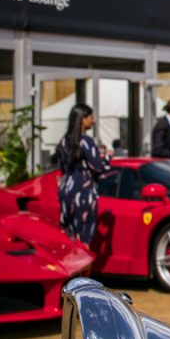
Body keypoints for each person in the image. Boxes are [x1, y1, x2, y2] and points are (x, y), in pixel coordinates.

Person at [56, 103, 110, 246]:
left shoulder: (63, 141)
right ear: (82, 119)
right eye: (91, 117)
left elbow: (63, 168)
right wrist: (107, 157)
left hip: (66, 188)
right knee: (84, 237)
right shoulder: (86, 141)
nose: (93, 121)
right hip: (84, 190)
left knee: (68, 235)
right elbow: (99, 168)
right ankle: (83, 267)